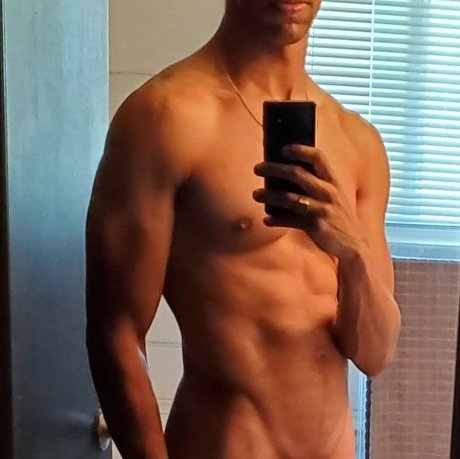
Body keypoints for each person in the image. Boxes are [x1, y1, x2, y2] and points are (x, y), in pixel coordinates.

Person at [85, 1, 401, 458]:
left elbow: (374, 353)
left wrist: (352, 252)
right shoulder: (165, 116)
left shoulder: (359, 142)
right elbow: (116, 332)